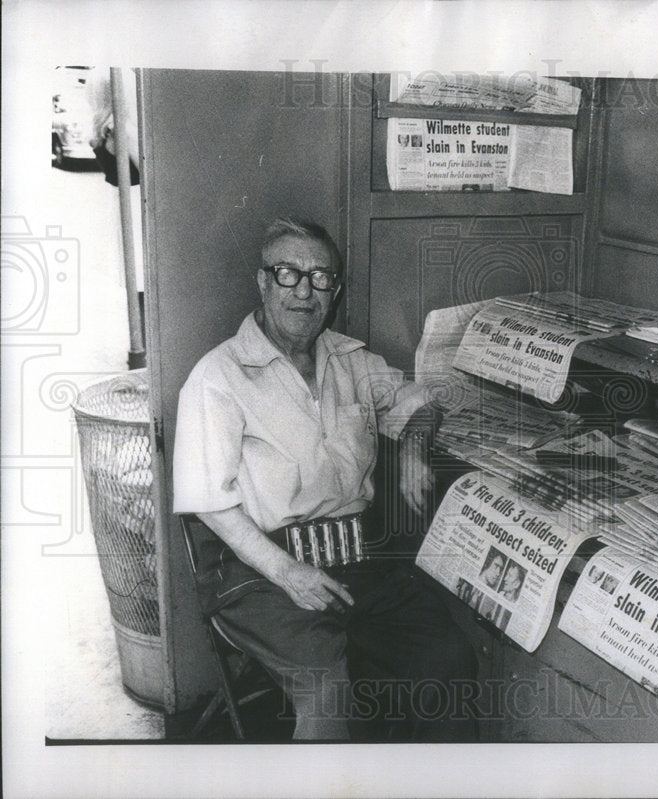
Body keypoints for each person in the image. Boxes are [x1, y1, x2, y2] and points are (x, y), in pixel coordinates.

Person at [173, 217, 477, 741]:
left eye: (320, 277)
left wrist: (413, 447)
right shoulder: (218, 377)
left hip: (357, 561)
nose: (304, 291)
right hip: (263, 571)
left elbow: (420, 401)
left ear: (334, 292)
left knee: (446, 656)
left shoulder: (351, 361)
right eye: (288, 274)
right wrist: (288, 573)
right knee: (326, 685)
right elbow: (210, 503)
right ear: (263, 282)